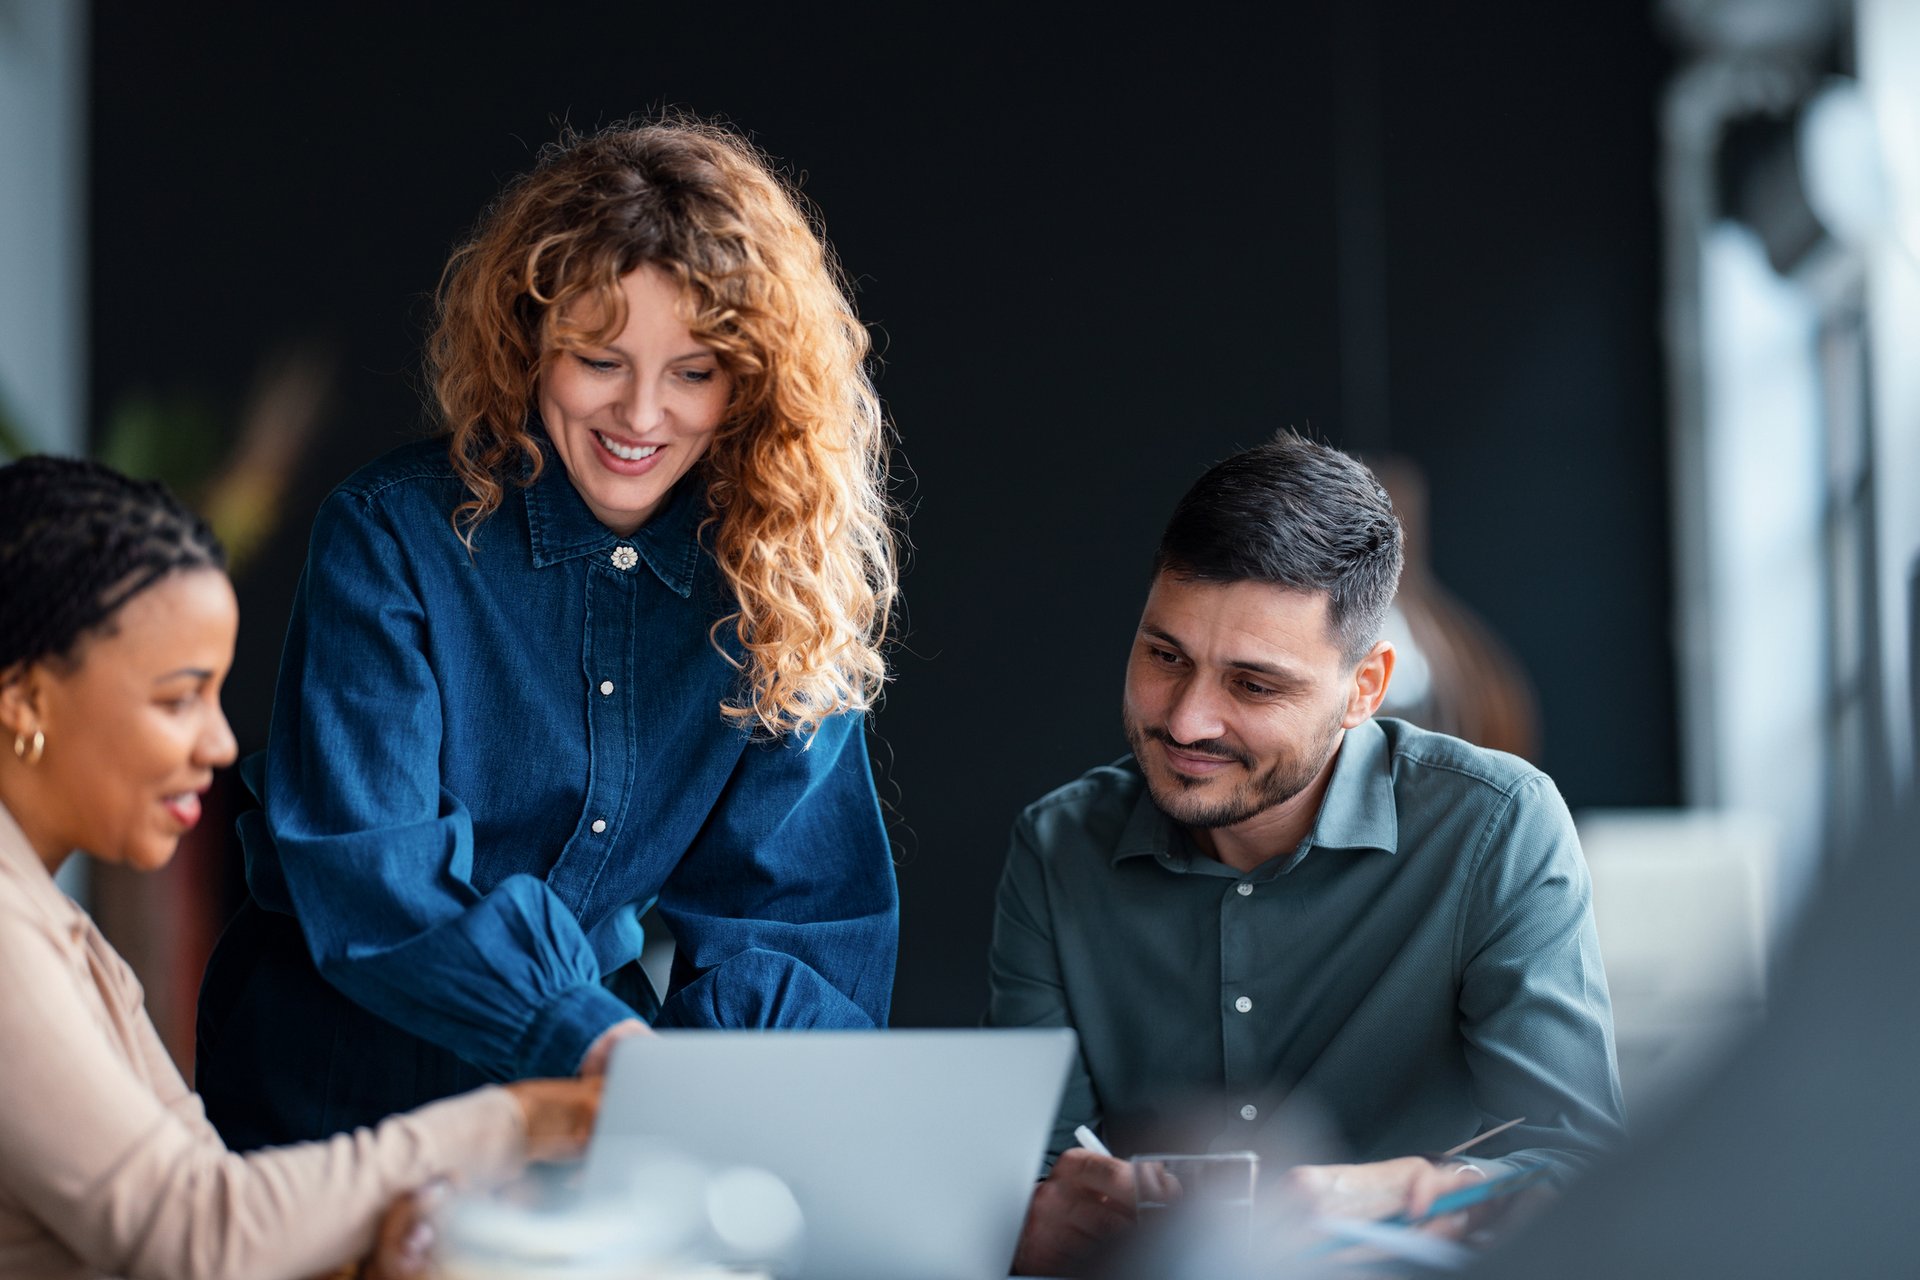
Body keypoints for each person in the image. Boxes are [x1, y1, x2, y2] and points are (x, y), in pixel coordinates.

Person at [195, 117, 902, 1149]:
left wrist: (713, 1101)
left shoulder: (774, 581)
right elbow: (375, 874)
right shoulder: (389, 532)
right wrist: (601, 1045)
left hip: (594, 1109)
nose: (642, 412)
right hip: (338, 1088)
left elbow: (796, 926)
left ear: (751, 383)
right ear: (529, 340)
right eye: (598, 359)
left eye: (694, 371)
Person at [988, 433, 1626, 1276]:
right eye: (1165, 657)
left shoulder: (1496, 825)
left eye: (1253, 685)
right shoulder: (1056, 846)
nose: (1186, 721)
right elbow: (1028, 1192)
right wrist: (1034, 1223)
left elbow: (1580, 1169)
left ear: (1365, 688)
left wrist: (1396, 1190)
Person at [0, 456, 599, 1280]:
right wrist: (515, 1123)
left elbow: (221, 1200)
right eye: (178, 699)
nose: (218, 745)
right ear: (24, 698)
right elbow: (197, 1234)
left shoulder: (62, 933)